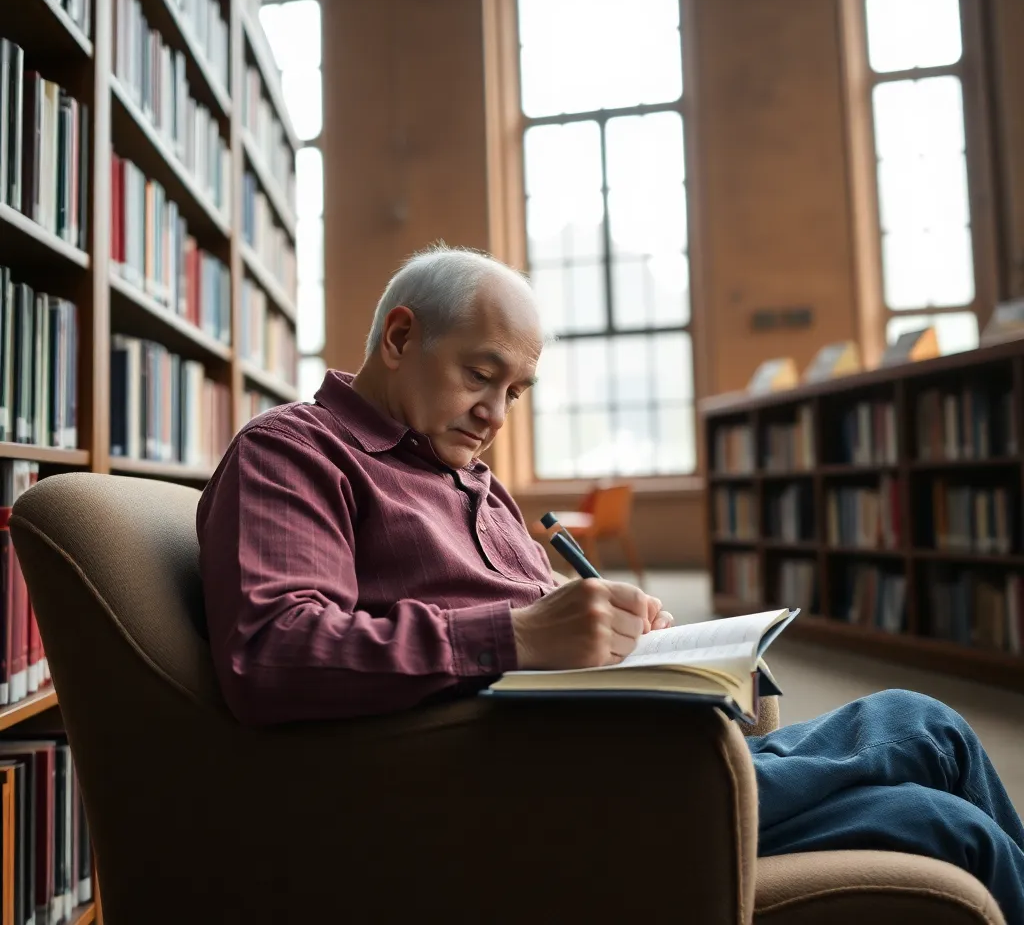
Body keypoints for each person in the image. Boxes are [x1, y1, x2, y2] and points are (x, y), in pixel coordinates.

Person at [197, 243, 1024, 921]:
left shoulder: (468, 476)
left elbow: (544, 630)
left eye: (515, 392)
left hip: (615, 745)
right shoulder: (295, 452)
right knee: (939, 789)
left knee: (932, 751)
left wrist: (634, 638)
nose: (495, 415)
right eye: (481, 376)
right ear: (400, 337)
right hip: (519, 790)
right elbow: (271, 654)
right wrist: (518, 635)